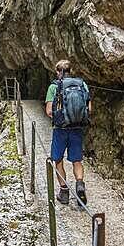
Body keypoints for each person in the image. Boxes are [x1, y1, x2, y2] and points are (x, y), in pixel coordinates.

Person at [44, 59, 90, 205]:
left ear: (58, 72)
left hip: (61, 130)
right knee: (77, 160)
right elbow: (89, 110)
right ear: (70, 71)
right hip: (77, 128)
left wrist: (61, 116)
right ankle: (80, 184)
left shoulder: (54, 87)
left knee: (57, 159)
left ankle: (64, 192)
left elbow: (49, 111)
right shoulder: (82, 85)